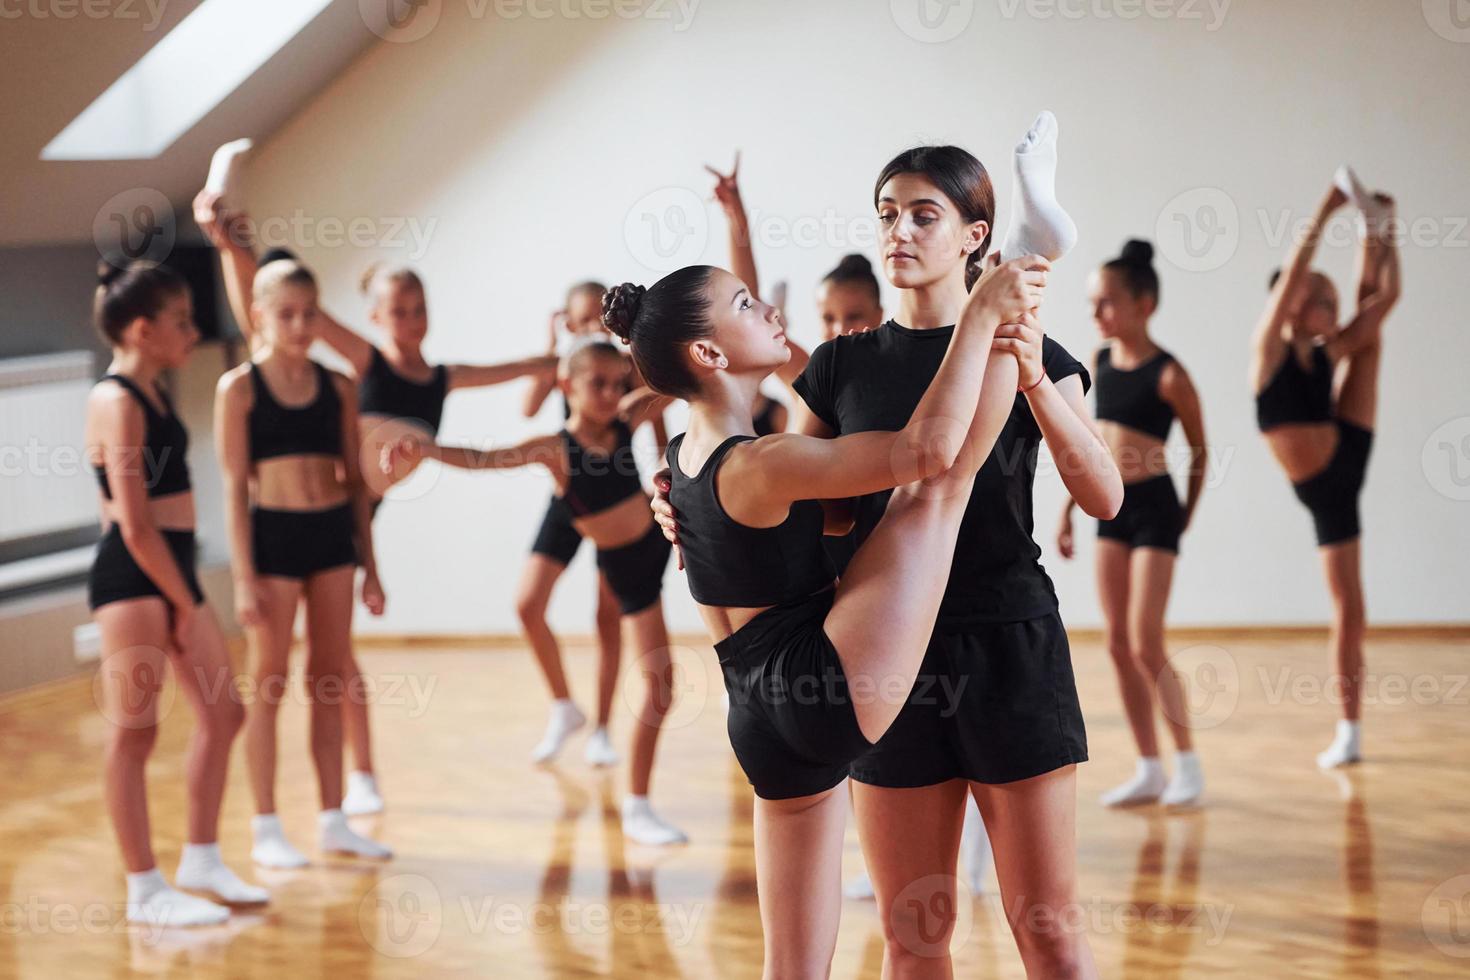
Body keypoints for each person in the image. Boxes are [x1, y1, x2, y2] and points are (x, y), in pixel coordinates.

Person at [384, 342, 686, 845]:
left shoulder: (626, 419)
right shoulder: (555, 449)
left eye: (619, 382)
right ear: (567, 387)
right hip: (626, 570)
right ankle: (635, 808)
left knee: (661, 685)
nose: (613, 393)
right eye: (599, 384)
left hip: (659, 544)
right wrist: (427, 449)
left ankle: (637, 797)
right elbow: (486, 459)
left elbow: (672, 385)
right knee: (661, 687)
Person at [86, 260, 268, 925]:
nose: (194, 332)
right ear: (142, 329)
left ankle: (201, 857)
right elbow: (132, 525)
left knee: (225, 715)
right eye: (182, 321)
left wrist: (186, 595)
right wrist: (186, 606)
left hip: (174, 570)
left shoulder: (155, 391)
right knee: (136, 731)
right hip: (135, 578)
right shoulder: (114, 400)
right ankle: (144, 889)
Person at [215, 259, 392, 866]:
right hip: (274, 543)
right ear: (259, 314)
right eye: (285, 314)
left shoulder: (339, 386)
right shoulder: (238, 389)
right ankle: (265, 826)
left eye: (309, 313)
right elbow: (235, 492)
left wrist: (371, 565)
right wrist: (243, 579)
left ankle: (333, 818)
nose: (299, 325)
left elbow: (355, 483)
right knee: (268, 681)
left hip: (330, 541)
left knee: (329, 677)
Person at [1250, 168, 1399, 769]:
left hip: (1348, 454)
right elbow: (1292, 277)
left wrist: (1383, 233)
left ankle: (1350, 730)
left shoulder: (1325, 352)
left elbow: (1384, 300)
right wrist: (1327, 204)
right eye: (1320, 297)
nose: (1331, 305)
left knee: (1374, 333)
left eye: (1332, 299)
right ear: (1290, 304)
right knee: (1348, 607)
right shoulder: (1268, 352)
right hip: (1324, 488)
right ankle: (1349, 732)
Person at [1059, 239, 1209, 807]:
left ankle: (1188, 764)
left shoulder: (1171, 375)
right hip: (1111, 507)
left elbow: (1199, 451)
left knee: (1147, 640)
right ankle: (1149, 767)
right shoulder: (1098, 364)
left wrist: (1183, 518)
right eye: (1093, 303)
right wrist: (1070, 509)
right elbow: (1094, 447)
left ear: (1144, 305)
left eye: (1107, 303)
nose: (1097, 314)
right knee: (1118, 643)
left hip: (1154, 511)